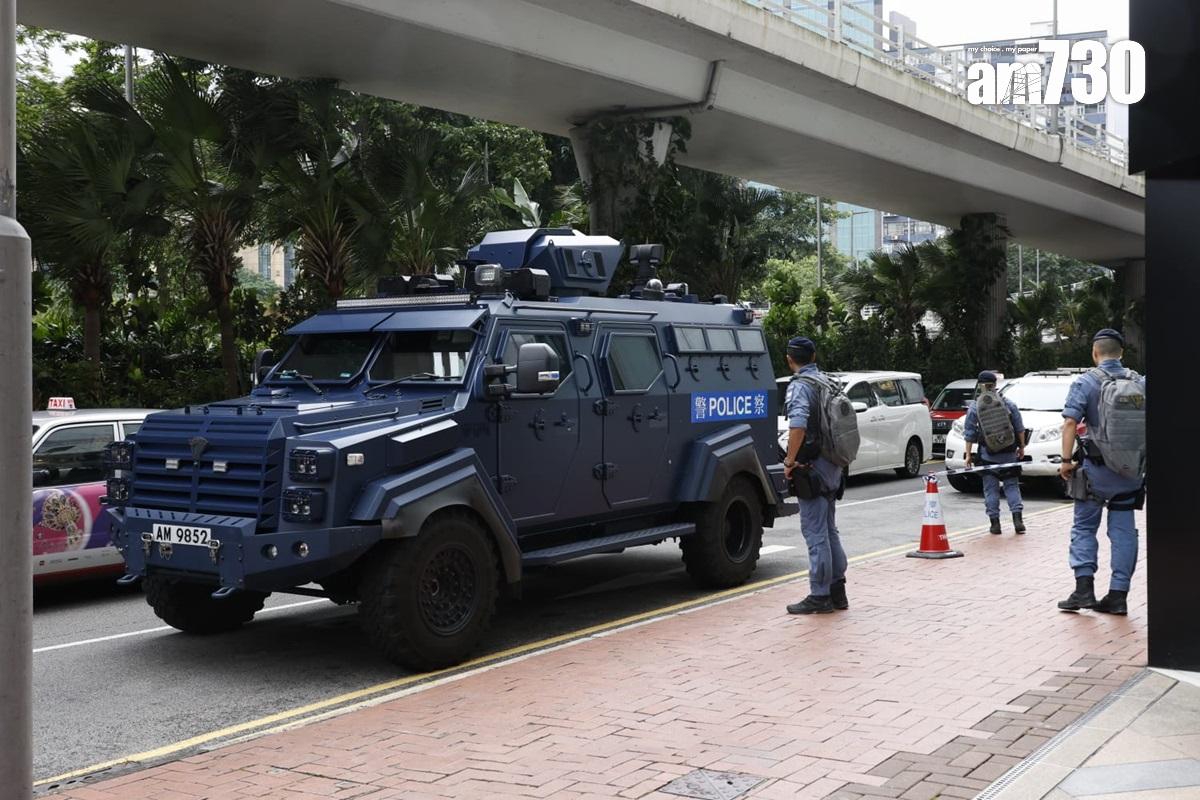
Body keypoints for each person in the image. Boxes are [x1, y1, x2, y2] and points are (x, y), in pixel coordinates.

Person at [1057, 329, 1147, 615]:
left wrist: (1065, 461)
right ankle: (1118, 596)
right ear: (1121, 353)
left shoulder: (1086, 382)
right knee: (1123, 532)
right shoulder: (1140, 382)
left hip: (1095, 473)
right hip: (1131, 473)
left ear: (1095, 353)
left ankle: (1083, 590)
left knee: (1084, 527)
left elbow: (1070, 423)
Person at [782, 336, 848, 615]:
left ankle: (819, 595)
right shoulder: (827, 381)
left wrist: (789, 459)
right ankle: (838, 590)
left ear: (789, 359)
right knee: (829, 528)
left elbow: (797, 425)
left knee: (814, 531)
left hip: (812, 466)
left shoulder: (800, 386)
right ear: (814, 356)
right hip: (834, 463)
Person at [962, 371, 1026, 535]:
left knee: (991, 489)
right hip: (1009, 453)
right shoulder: (1007, 403)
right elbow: (1019, 428)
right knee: (1011, 486)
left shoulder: (976, 406)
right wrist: (1022, 447)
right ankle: (1018, 520)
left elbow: (969, 432)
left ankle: (995, 524)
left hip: (987, 455)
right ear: (995, 385)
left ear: (980, 385)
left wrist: (968, 454)